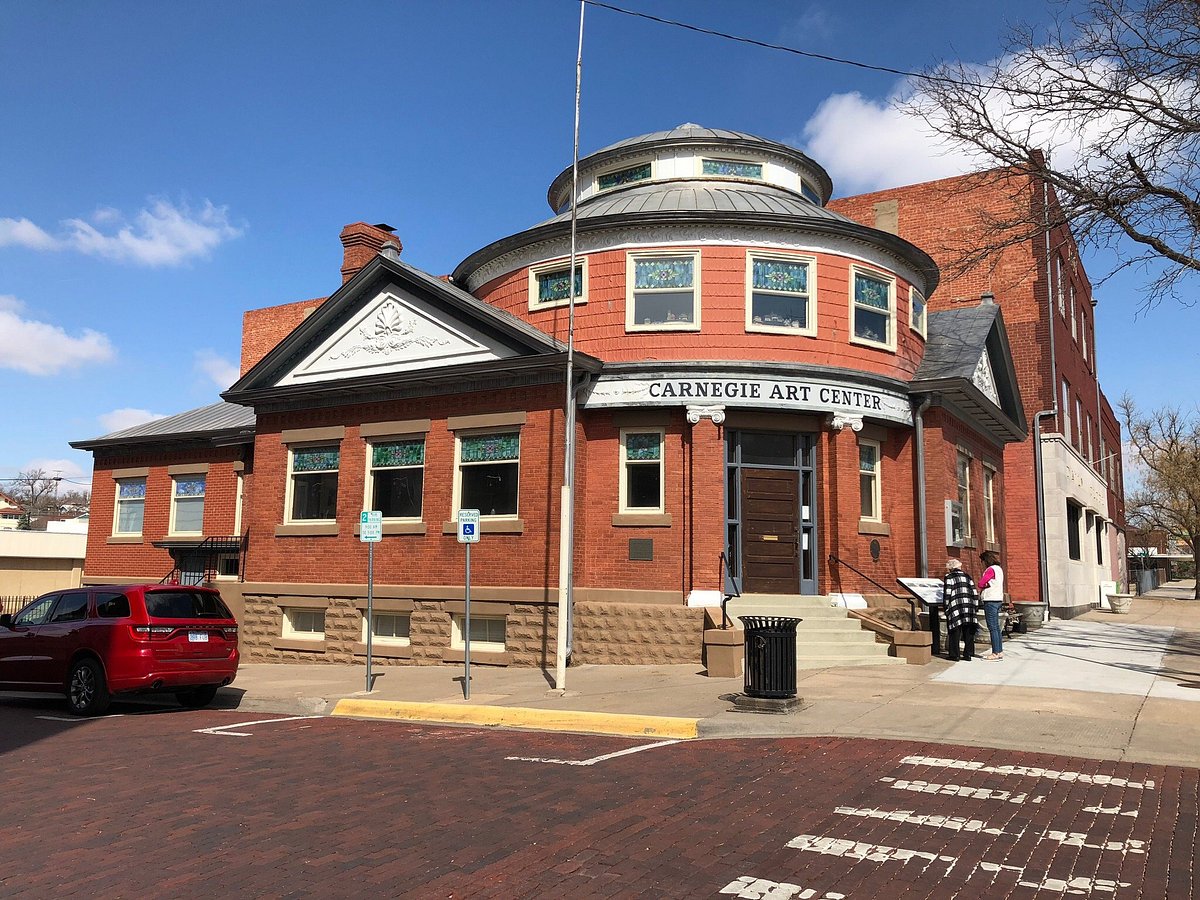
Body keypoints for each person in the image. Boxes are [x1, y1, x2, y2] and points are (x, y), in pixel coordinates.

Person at [941, 558, 978, 662]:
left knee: (954, 631)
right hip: (969, 606)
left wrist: (945, 606)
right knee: (968, 631)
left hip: (955, 606)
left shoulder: (949, 577)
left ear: (950, 568)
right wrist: (976, 606)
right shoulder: (967, 576)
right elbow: (974, 592)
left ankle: (955, 654)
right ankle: (968, 653)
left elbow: (948, 592)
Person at [978, 550, 1006, 660]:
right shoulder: (999, 569)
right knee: (997, 628)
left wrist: (985, 586)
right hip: (998, 598)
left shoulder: (990, 569)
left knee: (992, 627)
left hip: (990, 599)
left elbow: (981, 583)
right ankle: (999, 651)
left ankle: (995, 652)